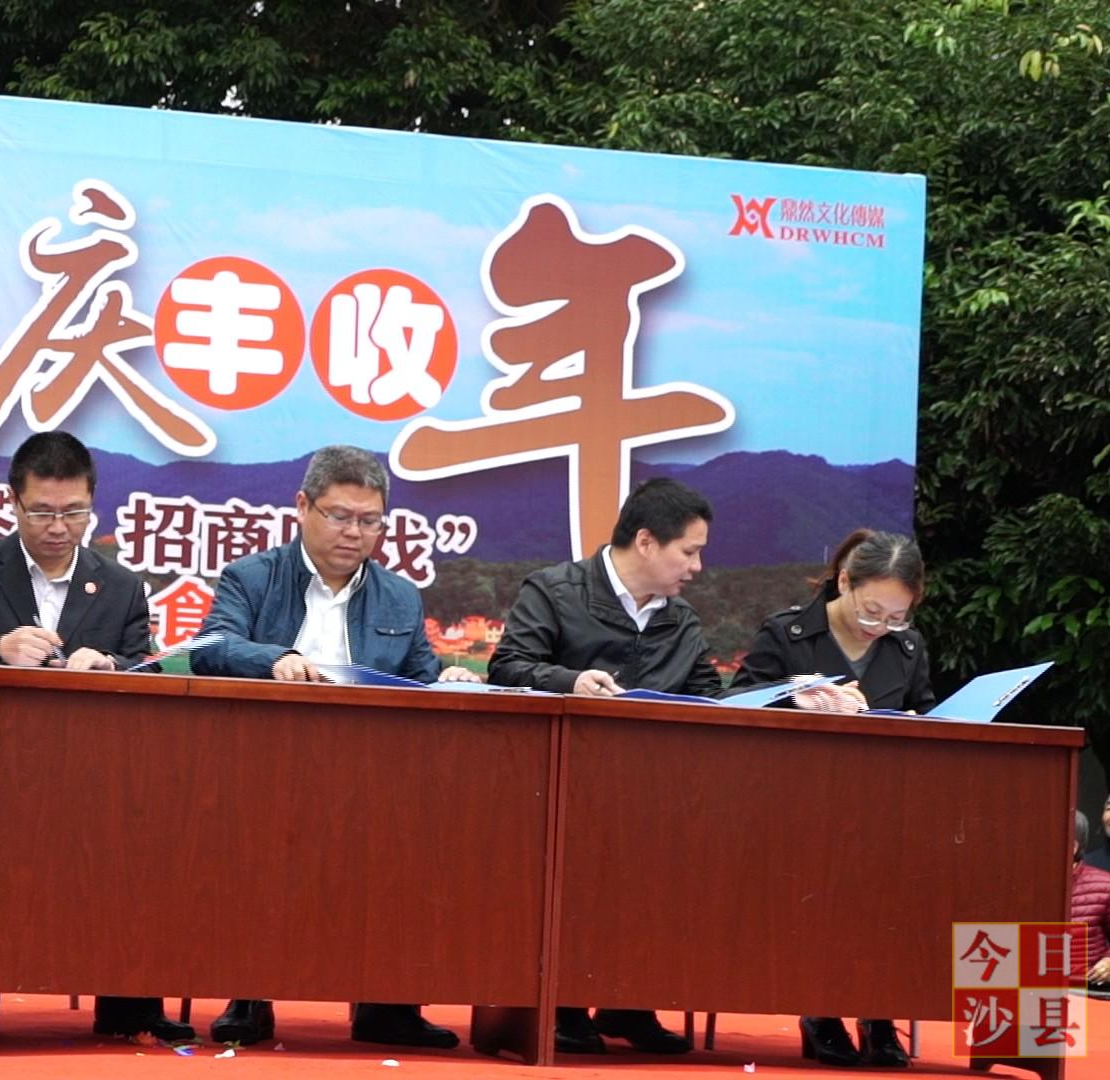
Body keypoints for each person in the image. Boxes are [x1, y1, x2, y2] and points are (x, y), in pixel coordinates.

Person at [191, 445, 475, 1051]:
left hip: (375, 772)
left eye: (369, 521)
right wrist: (277, 659)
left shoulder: (400, 596)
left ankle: (389, 1003)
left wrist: (448, 678)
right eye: (340, 516)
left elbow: (418, 679)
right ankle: (249, 995)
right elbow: (210, 647)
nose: (354, 533)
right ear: (303, 507)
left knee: (418, 829)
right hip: (265, 763)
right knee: (254, 832)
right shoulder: (253, 577)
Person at [0, 430, 190, 1043]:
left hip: (97, 774)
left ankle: (127, 1007)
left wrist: (111, 665)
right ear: (13, 502)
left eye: (74, 512)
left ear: (92, 502)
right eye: (42, 512)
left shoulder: (120, 585)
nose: (58, 527)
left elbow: (145, 666)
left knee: (138, 829)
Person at [487, 476, 713, 1056]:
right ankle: (562, 1005)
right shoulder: (554, 591)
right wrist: (570, 681)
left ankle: (629, 1001)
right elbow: (508, 666)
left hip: (654, 789)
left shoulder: (681, 619)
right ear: (646, 541)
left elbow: (709, 696)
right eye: (689, 552)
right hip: (559, 786)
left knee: (666, 871)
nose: (697, 567)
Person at [726, 528, 929, 1067]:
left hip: (879, 806)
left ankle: (879, 1013)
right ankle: (821, 1011)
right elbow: (734, 702)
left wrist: (916, 722)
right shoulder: (789, 632)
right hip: (792, 805)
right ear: (844, 582)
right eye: (870, 611)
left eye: (896, 617)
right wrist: (797, 700)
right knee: (820, 874)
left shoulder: (907, 648)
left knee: (897, 879)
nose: (879, 627)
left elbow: (923, 710)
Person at [1072, 802, 1110, 997]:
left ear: (1073, 846)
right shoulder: (1023, 886)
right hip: (1031, 990)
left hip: (1087, 991)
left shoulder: (1104, 885)